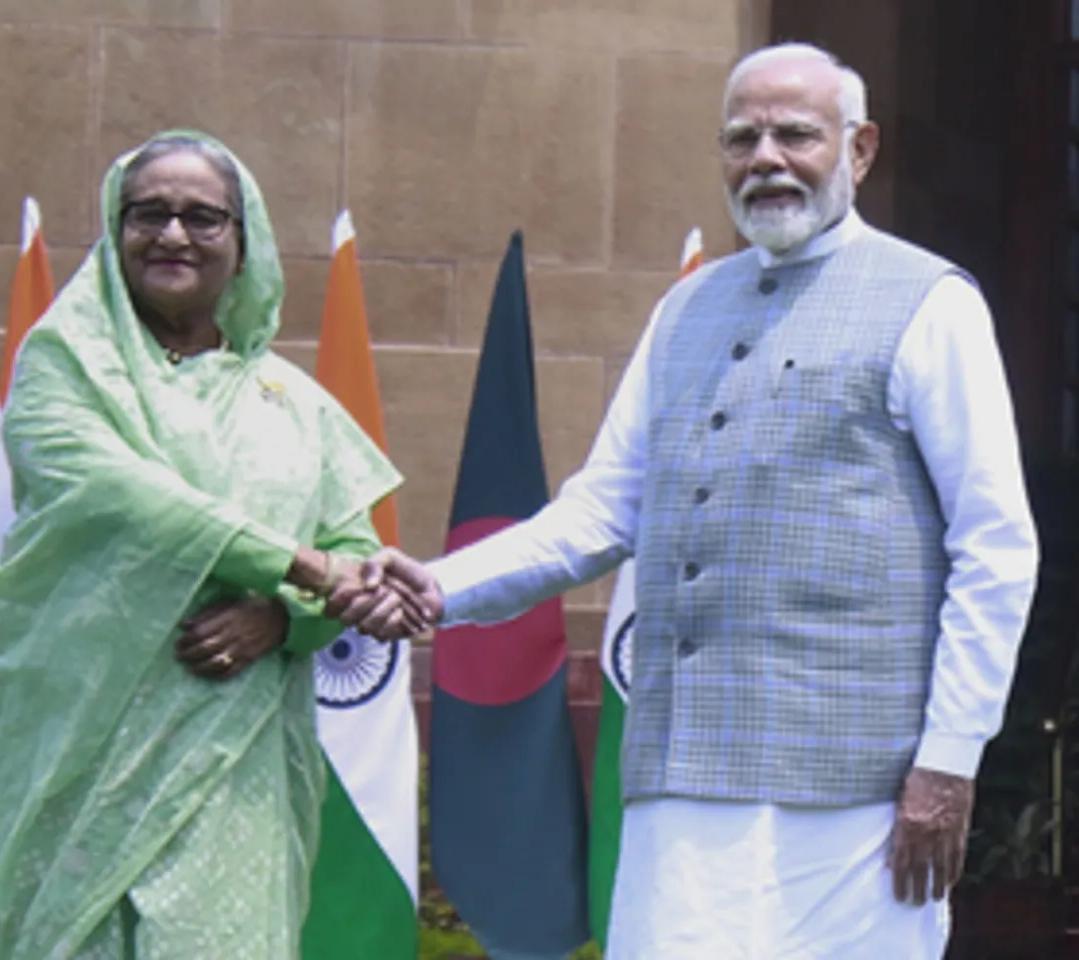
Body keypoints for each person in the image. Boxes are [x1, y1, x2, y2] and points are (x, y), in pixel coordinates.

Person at [332, 43, 1040, 958]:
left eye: (795, 134)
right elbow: (599, 511)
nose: (766, 158)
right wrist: (434, 587)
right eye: (741, 138)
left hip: (858, 793)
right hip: (682, 785)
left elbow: (996, 546)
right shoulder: (684, 310)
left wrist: (947, 760)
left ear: (859, 150)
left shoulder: (930, 302)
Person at [0, 129, 424, 959]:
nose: (173, 234)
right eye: (148, 213)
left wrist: (285, 621)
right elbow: (123, 498)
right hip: (80, 744)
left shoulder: (295, 404)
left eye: (203, 217)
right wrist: (298, 568)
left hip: (232, 759)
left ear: (242, 243)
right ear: (116, 233)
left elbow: (351, 548)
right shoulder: (63, 366)